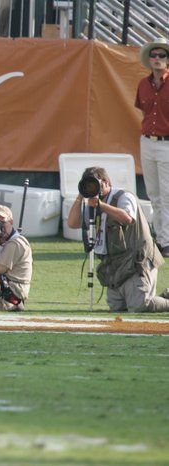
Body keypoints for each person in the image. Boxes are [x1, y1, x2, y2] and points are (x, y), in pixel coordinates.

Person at [67, 167, 169, 312]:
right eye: (88, 186)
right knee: (117, 307)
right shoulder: (92, 203)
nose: (93, 189)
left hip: (137, 260)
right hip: (116, 264)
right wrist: (80, 196)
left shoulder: (123, 196)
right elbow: (72, 223)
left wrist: (101, 206)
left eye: (96, 185)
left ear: (107, 182)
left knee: (139, 306)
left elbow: (127, 218)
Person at [136, 38, 169, 258]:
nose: (157, 59)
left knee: (167, 194)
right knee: (153, 194)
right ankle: (160, 237)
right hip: (147, 141)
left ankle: (165, 241)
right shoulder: (143, 84)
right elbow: (144, 110)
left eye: (162, 55)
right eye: (154, 55)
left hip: (167, 142)